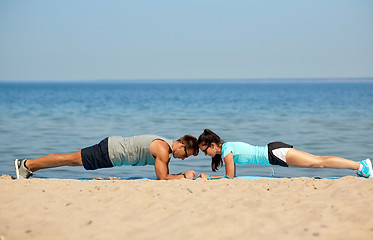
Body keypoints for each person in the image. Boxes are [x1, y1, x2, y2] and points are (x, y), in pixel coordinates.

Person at [197, 129, 372, 179]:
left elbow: (230, 177)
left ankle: (360, 165)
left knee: (318, 162)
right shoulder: (227, 148)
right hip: (274, 154)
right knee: (318, 161)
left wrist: (208, 178)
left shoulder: (227, 149)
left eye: (205, 150)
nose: (206, 154)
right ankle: (359, 166)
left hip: (275, 153)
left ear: (213, 145)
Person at [15, 134, 199, 180]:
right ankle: (27, 164)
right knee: (69, 160)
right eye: (186, 155)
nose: (183, 159)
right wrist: (183, 176)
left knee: (70, 160)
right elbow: (163, 178)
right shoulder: (163, 149)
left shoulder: (164, 145)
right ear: (182, 145)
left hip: (112, 152)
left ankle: (29, 167)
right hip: (110, 152)